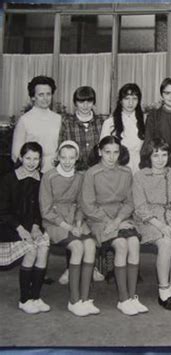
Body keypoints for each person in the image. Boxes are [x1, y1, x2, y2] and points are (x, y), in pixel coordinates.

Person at [81, 135, 148, 316]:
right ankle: (123, 299)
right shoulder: (91, 173)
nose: (112, 157)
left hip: (120, 218)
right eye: (107, 152)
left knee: (133, 242)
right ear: (100, 152)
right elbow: (88, 205)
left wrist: (118, 220)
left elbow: (129, 202)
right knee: (121, 245)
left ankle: (133, 296)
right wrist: (107, 221)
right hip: (98, 221)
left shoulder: (126, 172)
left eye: (116, 152)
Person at [39, 141, 99, 316]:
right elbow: (46, 210)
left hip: (75, 220)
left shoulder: (81, 177)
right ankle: (74, 300)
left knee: (90, 246)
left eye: (71, 157)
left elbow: (81, 204)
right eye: (63, 157)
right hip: (55, 222)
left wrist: (79, 223)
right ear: (57, 157)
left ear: (77, 158)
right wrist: (68, 226)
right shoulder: (48, 176)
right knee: (78, 246)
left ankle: (85, 298)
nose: (67, 161)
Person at [133, 138, 171, 311]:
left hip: (170, 217)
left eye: (164, 155)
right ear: (148, 156)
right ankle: (163, 291)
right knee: (165, 242)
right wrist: (159, 225)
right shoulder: (140, 176)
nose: (160, 159)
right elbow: (140, 207)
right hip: (148, 220)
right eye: (155, 155)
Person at [57, 85, 105, 285]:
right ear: (75, 102)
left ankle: (92, 265)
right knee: (74, 219)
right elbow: (62, 148)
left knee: (92, 218)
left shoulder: (102, 121)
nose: (85, 105)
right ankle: (70, 268)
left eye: (89, 101)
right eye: (80, 101)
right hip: (75, 176)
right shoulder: (67, 122)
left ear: (94, 102)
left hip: (95, 177)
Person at [0, 142, 50, 314]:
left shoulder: (42, 178)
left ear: (41, 160)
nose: (31, 162)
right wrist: (20, 229)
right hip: (10, 225)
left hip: (33, 224)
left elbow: (42, 207)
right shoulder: (8, 179)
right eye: (28, 158)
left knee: (43, 247)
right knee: (31, 250)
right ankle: (24, 299)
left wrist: (36, 226)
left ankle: (36, 296)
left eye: (36, 158)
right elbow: (3, 211)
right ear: (20, 158)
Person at [11, 76, 61, 173]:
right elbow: (16, 154)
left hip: (55, 171)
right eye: (41, 94)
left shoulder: (58, 119)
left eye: (48, 94)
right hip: (32, 173)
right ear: (33, 97)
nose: (45, 98)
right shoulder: (24, 120)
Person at [101, 83, 145, 174]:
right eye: (127, 98)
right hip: (117, 166)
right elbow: (103, 149)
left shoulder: (145, 120)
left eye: (134, 99)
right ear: (120, 101)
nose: (130, 103)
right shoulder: (109, 123)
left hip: (139, 166)